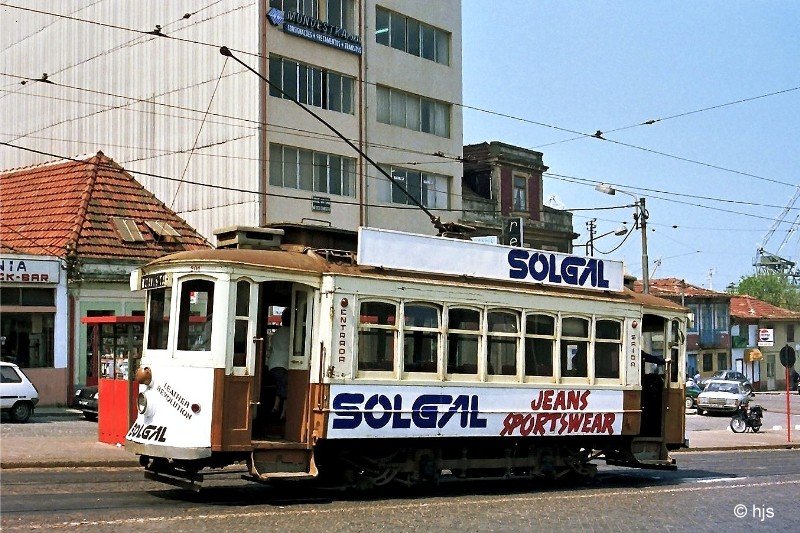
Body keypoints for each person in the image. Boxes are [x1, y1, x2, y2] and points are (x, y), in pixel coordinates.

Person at [268, 308, 291, 421]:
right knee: (287, 388)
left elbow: (271, 347)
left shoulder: (277, 332)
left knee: (280, 385)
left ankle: (275, 407)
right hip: (285, 364)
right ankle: (282, 413)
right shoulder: (292, 333)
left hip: (273, 364)